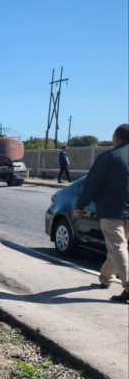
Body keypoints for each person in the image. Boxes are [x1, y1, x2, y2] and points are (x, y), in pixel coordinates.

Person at [74, 124, 129, 303]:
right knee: (119, 247)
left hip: (112, 210)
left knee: (117, 246)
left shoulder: (108, 157)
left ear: (117, 137)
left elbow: (92, 184)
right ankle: (105, 278)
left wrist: (80, 205)